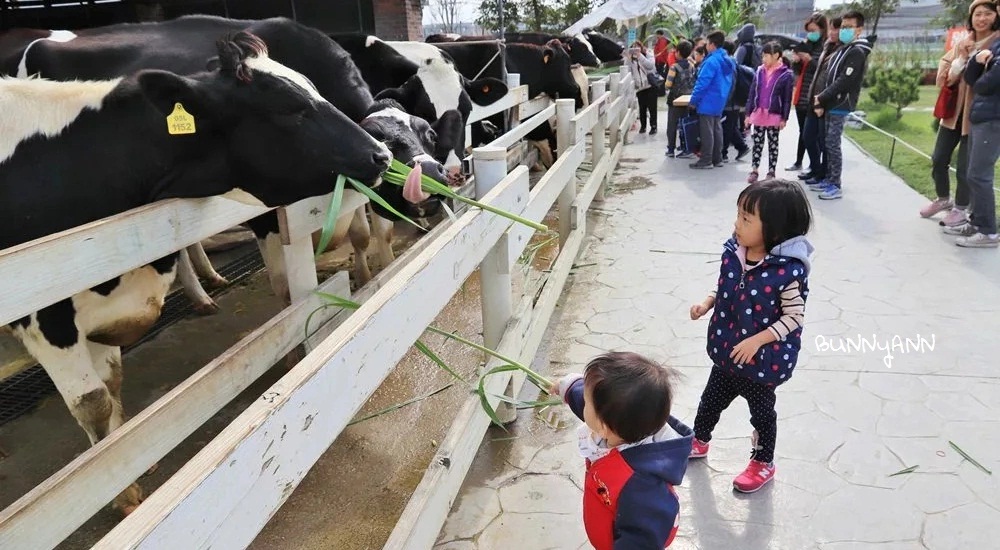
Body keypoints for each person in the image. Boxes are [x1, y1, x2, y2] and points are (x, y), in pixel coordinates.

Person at [689, 179, 814, 493]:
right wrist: (708, 302)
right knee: (708, 403)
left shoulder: (787, 272)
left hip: (760, 365)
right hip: (728, 354)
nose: (737, 224)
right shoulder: (736, 252)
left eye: (746, 219)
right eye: (738, 215)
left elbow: (794, 317)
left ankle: (763, 462)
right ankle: (699, 441)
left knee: (761, 416)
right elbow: (727, 286)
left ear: (774, 229)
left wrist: (758, 340)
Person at [549, 352, 694, 549]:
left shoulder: (640, 485)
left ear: (604, 427)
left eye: (586, 401)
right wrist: (567, 387)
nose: (583, 401)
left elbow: (642, 539)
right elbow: (589, 401)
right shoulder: (626, 422)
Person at [920, 0, 999, 227]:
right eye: (977, 14)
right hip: (953, 112)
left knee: (966, 168)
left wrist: (973, 64)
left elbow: (988, 80)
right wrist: (958, 64)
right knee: (938, 158)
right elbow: (943, 75)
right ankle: (943, 198)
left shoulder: (996, 43)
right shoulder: (963, 43)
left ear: (995, 17)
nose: (981, 19)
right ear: (971, 18)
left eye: (987, 14)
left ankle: (961, 209)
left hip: (977, 116)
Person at [812, 10, 872, 200]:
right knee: (828, 143)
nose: (844, 30)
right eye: (843, 27)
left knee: (832, 143)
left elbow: (844, 81)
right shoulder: (843, 49)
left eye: (849, 27)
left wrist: (822, 97)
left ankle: (835, 184)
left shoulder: (856, 52)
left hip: (840, 103)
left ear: (859, 30)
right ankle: (829, 179)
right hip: (831, 102)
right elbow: (830, 76)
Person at [951, 28, 1000, 248]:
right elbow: (971, 78)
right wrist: (978, 62)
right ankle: (977, 222)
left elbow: (984, 84)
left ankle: (988, 232)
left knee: (980, 176)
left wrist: (981, 66)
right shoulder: (996, 44)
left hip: (994, 117)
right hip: (982, 115)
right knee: (973, 174)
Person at [745, 42, 795, 183]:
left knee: (773, 143)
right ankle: (754, 169)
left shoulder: (786, 74)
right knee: (757, 143)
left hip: (774, 114)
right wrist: (748, 114)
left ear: (776, 56)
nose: (764, 59)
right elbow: (752, 93)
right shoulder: (760, 71)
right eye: (763, 56)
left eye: (766, 56)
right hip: (759, 113)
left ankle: (771, 171)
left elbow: (787, 99)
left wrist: (784, 118)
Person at [801, 16, 843, 185]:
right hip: (814, 98)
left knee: (825, 141)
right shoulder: (828, 46)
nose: (833, 32)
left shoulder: (841, 50)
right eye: (832, 29)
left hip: (825, 100)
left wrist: (822, 99)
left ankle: (825, 175)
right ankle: (816, 169)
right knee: (808, 136)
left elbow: (833, 79)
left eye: (836, 29)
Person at [788, 13, 828, 172]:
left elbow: (821, 69)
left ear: (822, 28)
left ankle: (814, 166)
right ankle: (799, 161)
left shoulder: (825, 47)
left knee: (813, 135)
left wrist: (809, 59)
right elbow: (798, 72)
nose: (810, 34)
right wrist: (797, 61)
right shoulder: (807, 44)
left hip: (815, 95)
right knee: (803, 133)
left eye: (813, 30)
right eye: (808, 30)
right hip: (802, 93)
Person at [688, 31, 735, 169]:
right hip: (720, 99)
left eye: (707, 43)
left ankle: (706, 159)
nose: (706, 46)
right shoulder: (726, 59)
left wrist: (694, 100)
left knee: (707, 131)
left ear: (712, 45)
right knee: (716, 129)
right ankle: (717, 158)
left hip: (708, 99)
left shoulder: (711, 61)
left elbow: (702, 84)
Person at [722, 40, 752, 162]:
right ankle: (741, 147)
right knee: (730, 126)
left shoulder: (730, 63)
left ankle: (723, 153)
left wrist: (726, 99)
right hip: (733, 101)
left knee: (726, 127)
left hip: (731, 102)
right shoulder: (733, 62)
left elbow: (731, 84)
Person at [666, 40, 697, 158]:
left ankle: (670, 149)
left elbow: (668, 84)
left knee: (672, 125)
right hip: (688, 99)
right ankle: (685, 147)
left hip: (675, 99)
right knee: (685, 123)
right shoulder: (691, 66)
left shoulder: (674, 67)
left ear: (678, 52)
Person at [625, 40, 659, 135]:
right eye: (633, 48)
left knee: (652, 108)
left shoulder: (648, 54)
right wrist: (628, 59)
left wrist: (640, 56)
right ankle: (643, 126)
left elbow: (650, 66)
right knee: (642, 107)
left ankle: (653, 126)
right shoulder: (631, 59)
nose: (635, 50)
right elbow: (627, 71)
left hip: (650, 85)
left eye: (637, 48)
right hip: (640, 87)